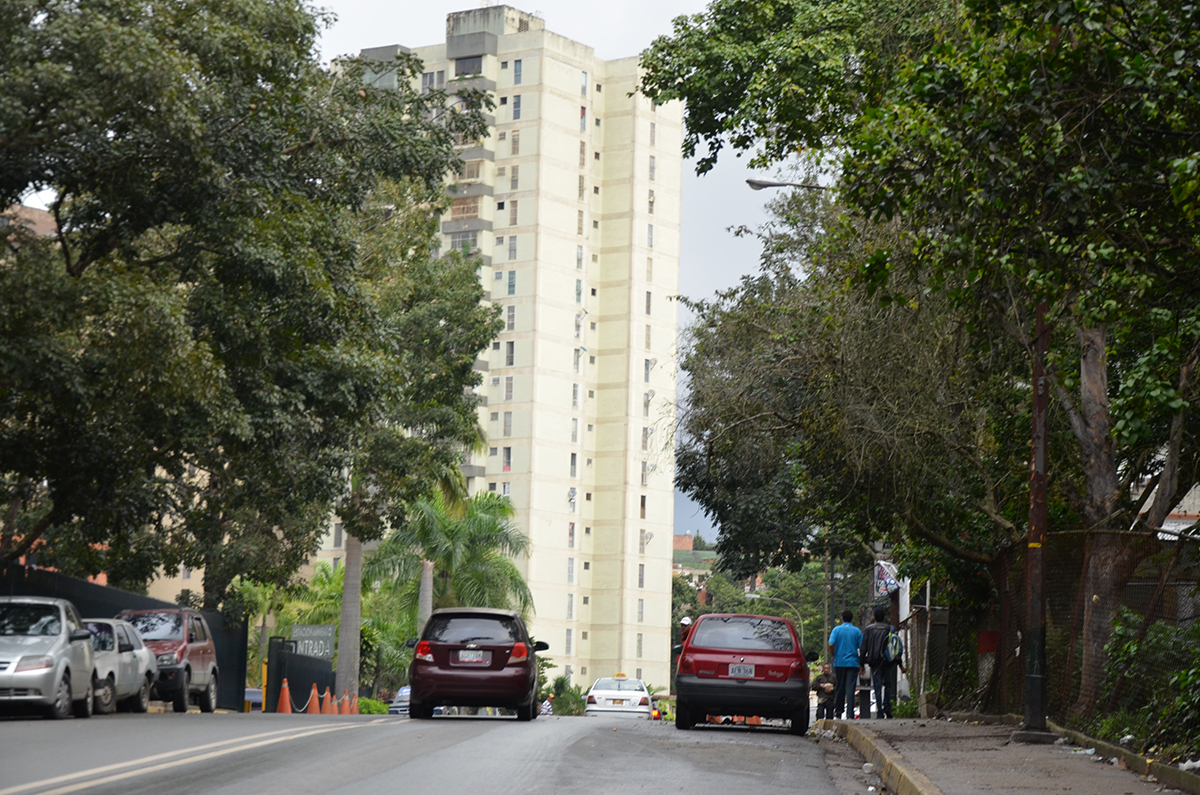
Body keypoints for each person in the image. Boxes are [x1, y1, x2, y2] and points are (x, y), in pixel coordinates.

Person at [861, 605, 905, 718]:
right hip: (888, 661)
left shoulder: (869, 629)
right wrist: (900, 665)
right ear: (884, 617)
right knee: (888, 684)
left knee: (877, 686)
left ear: (874, 617)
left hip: (875, 661)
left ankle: (879, 711)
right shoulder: (890, 629)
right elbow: (895, 648)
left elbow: (864, 647)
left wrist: (861, 663)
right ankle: (887, 708)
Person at [827, 609, 863, 719]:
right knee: (850, 688)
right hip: (853, 663)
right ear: (852, 619)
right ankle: (850, 713)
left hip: (839, 662)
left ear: (842, 618)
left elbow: (831, 644)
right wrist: (861, 664)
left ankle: (838, 711)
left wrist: (833, 655)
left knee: (840, 687)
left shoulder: (836, 630)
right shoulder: (857, 631)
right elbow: (861, 648)